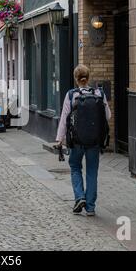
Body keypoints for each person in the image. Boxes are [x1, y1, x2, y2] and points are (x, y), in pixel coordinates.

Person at [56, 64, 111, 216]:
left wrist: (59, 139)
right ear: (88, 77)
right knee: (92, 172)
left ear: (75, 78)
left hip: (76, 140)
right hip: (94, 140)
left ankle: (80, 197)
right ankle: (91, 207)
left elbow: (64, 119)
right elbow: (108, 116)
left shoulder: (71, 95)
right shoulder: (99, 93)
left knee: (75, 167)